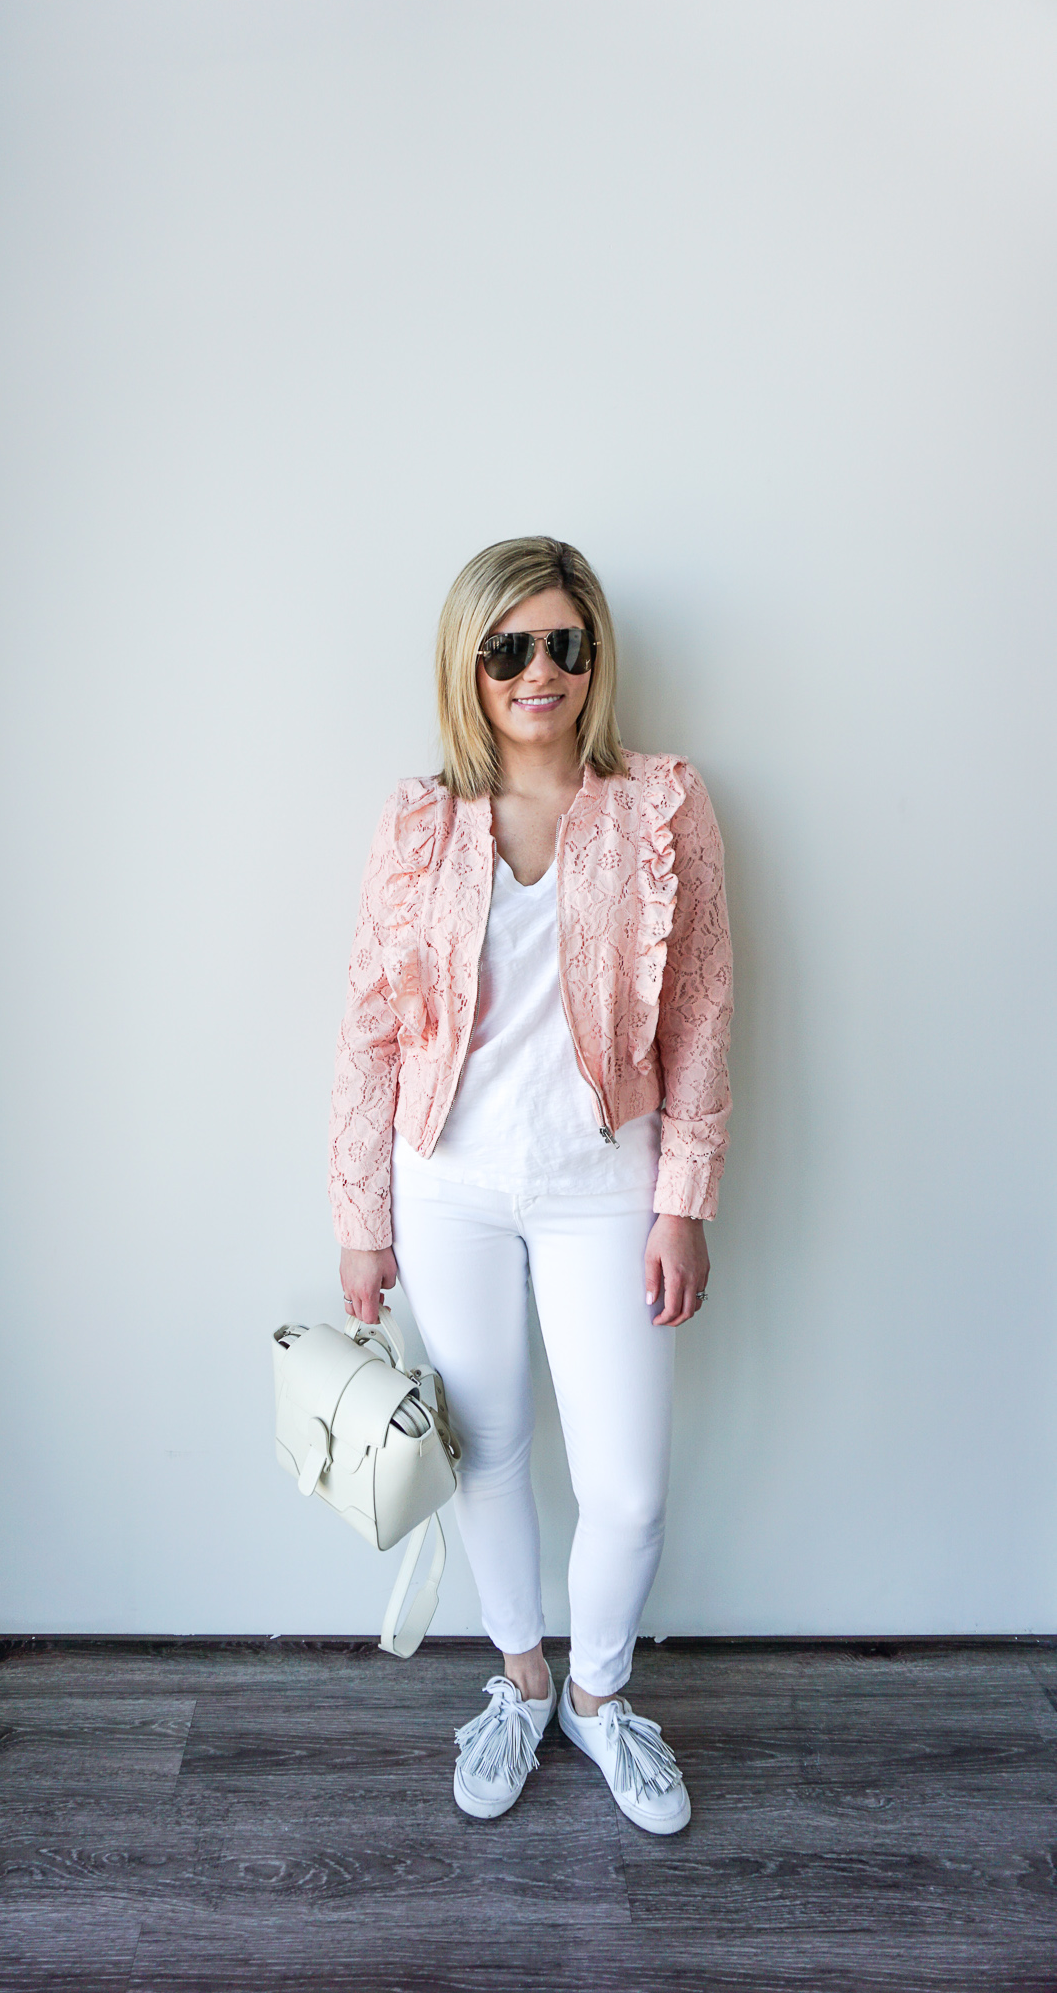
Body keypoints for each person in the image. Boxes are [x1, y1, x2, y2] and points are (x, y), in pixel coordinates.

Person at [328, 536, 732, 1833]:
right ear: (472, 664)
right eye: (512, 648)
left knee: (626, 1487)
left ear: (596, 658)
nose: (542, 670)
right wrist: (359, 1220)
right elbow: (371, 1030)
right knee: (486, 1450)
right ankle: (519, 1677)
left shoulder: (664, 806)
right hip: (445, 1182)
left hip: (603, 1182)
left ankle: (600, 1699)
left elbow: (705, 1016)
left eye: (567, 643)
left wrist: (684, 1200)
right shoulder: (419, 820)